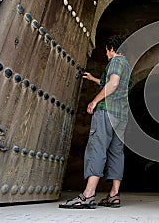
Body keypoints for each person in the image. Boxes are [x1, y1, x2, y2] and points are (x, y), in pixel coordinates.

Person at [59, 35, 131, 209]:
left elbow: (113, 84)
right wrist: (94, 79)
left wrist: (95, 101)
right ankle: (114, 195)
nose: (106, 54)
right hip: (121, 116)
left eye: (106, 51)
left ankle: (88, 195)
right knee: (116, 152)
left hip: (106, 111)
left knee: (97, 148)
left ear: (111, 49)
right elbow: (116, 85)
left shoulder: (115, 61)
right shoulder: (127, 65)